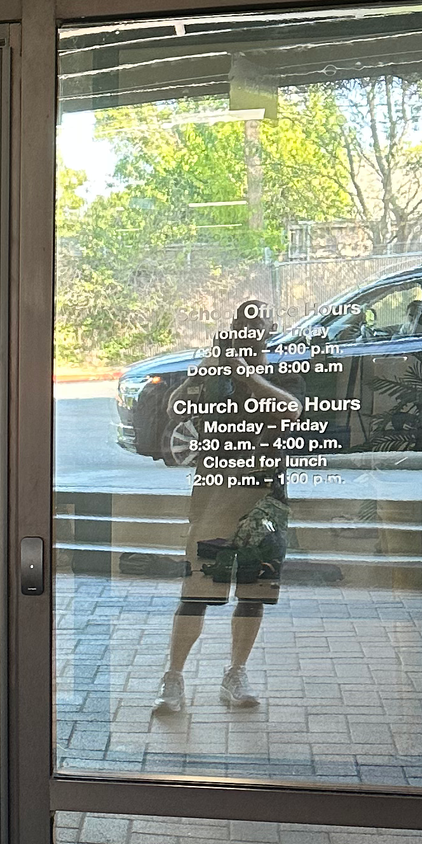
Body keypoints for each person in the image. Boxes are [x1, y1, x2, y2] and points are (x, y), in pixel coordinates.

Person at [154, 300, 301, 715]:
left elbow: (291, 409)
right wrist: (210, 366)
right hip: (213, 497)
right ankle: (174, 677)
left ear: (269, 332)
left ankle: (235, 672)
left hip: (264, 501)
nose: (250, 337)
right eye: (242, 328)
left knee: (253, 592)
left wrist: (247, 375)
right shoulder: (213, 371)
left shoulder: (283, 366)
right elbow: (175, 407)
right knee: (198, 589)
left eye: (259, 329)